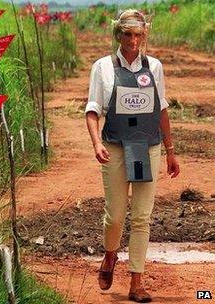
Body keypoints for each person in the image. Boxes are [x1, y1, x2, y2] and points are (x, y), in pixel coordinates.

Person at [85, 9, 180, 303]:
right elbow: (92, 111)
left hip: (146, 148)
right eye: (128, 34)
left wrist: (170, 150)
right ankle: (110, 255)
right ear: (118, 34)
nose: (133, 40)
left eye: (139, 34)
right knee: (115, 216)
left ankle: (136, 281)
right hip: (114, 147)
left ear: (144, 35)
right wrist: (95, 143)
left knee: (141, 217)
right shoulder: (102, 67)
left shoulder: (155, 68)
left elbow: (161, 109)